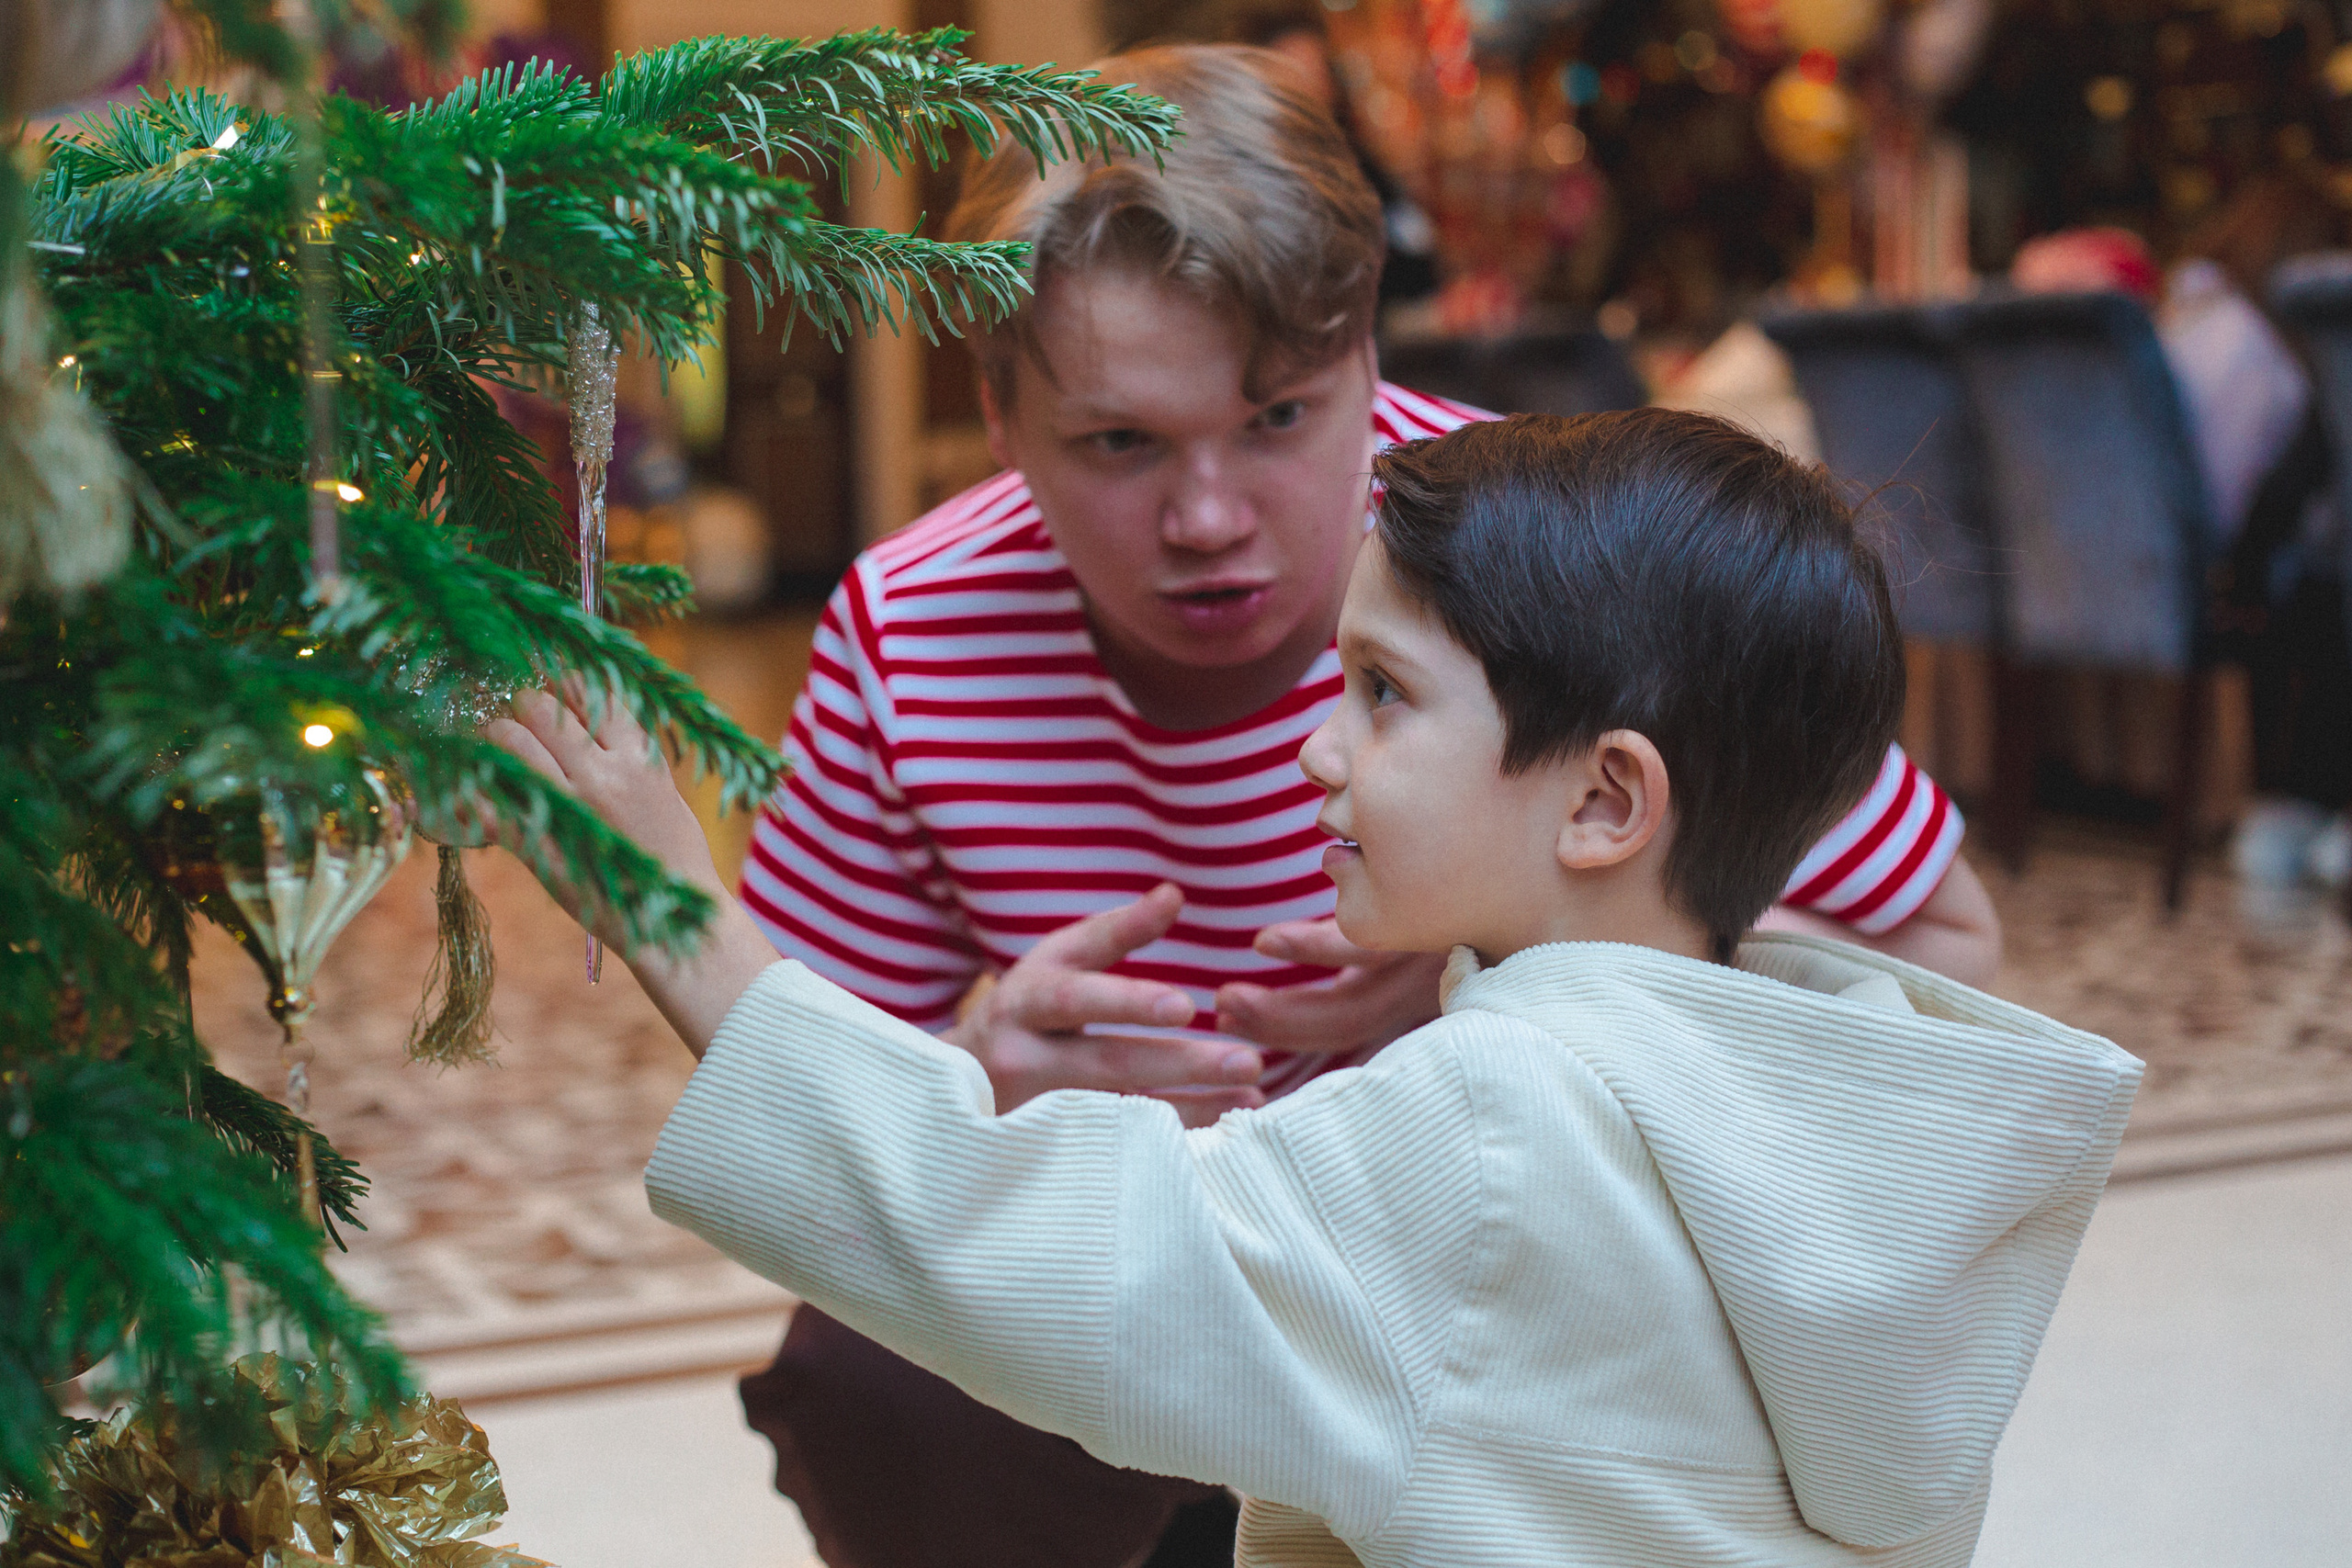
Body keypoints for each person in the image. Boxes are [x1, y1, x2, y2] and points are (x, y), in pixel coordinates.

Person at [732, 43, 2000, 1567]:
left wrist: (1541, 960)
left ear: (1367, 364)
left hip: (1519, 1337)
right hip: (1126, 1289)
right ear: (1000, 419)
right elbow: (816, 1105)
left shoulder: (1558, 564)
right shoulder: (911, 631)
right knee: (860, 1380)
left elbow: (1949, 959)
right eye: (1120, 443)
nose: (1210, 524)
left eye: (1280, 418)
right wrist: (977, 1072)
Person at [489, 407, 2139, 1568]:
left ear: (1603, 802)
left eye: (1381, 693)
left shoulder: (1491, 1134)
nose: (1312, 744)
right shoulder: (1831, 1066)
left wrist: (664, 895)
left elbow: (1010, 1243)